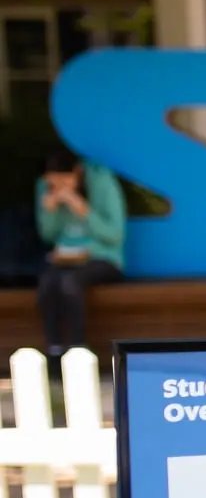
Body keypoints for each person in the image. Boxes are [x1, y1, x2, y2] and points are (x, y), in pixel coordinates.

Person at [34, 147, 125, 359]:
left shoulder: (101, 182)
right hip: (64, 259)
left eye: (64, 182)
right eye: (53, 183)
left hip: (103, 257)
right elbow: (48, 235)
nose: (58, 188)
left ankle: (77, 352)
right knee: (47, 283)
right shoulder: (44, 187)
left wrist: (81, 207)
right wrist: (50, 211)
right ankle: (54, 352)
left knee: (69, 283)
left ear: (77, 172)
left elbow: (114, 235)